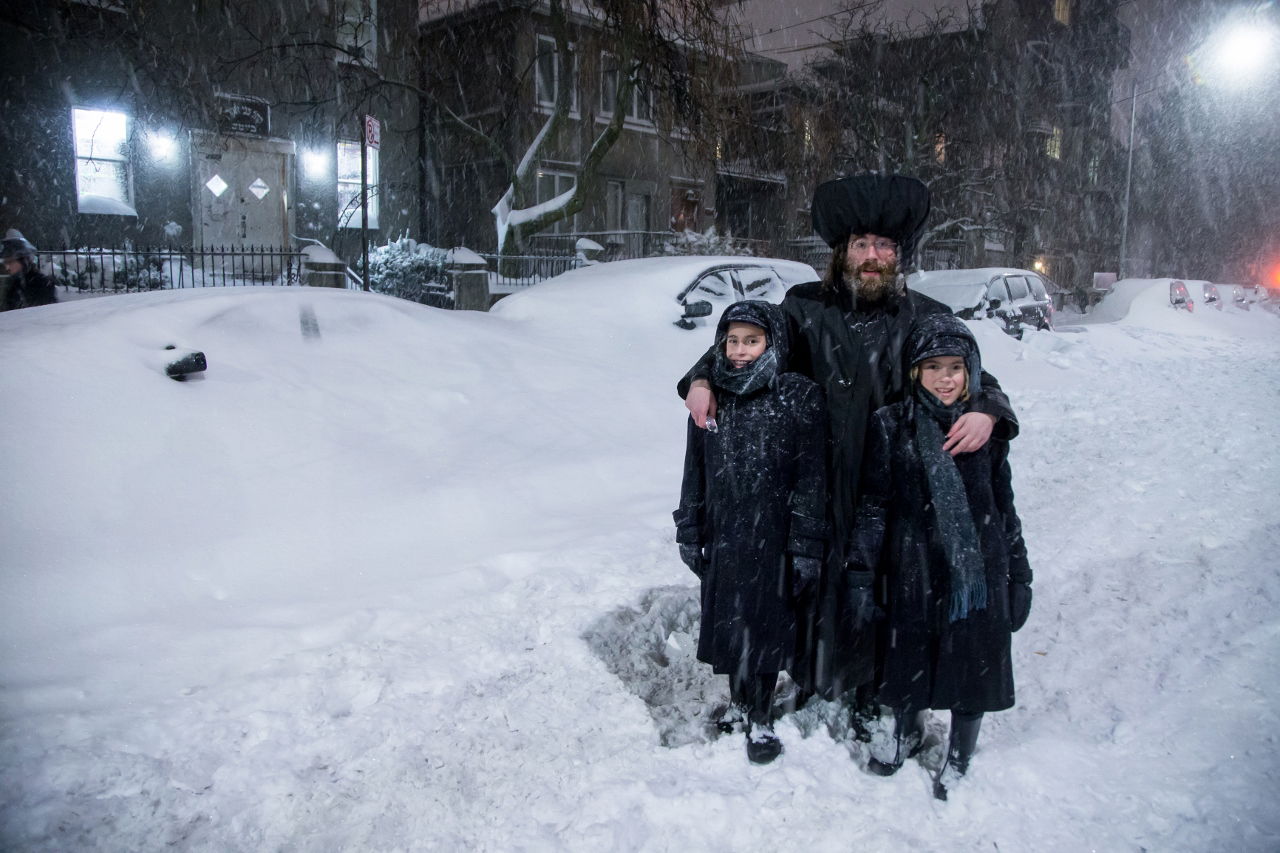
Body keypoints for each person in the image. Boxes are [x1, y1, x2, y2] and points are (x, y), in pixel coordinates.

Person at [678, 174, 1019, 731]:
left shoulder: (924, 316)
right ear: (841, 253)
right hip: (815, 476)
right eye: (860, 244)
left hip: (891, 481)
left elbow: (968, 372)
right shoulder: (803, 308)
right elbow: (747, 347)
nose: (872, 256)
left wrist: (987, 409)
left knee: (881, 587)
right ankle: (818, 680)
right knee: (818, 585)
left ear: (898, 256)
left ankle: (870, 694)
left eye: (884, 246)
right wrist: (701, 379)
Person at [848, 313, 1032, 799]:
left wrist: (1020, 576)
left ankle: (959, 754)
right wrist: (861, 575)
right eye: (933, 367)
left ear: (970, 370)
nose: (945, 378)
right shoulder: (891, 425)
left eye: (955, 367)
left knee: (972, 670)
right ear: (914, 372)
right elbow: (873, 505)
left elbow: (1004, 507)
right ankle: (908, 731)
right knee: (910, 663)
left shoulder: (984, 431)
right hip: (913, 569)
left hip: (977, 571)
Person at [673, 300, 827, 765]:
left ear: (772, 343)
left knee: (761, 633)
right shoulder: (711, 394)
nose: (740, 351)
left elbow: (812, 480)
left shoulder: (797, 396)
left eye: (752, 341)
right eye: (732, 340)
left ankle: (759, 716)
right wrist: (689, 527)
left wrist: (806, 544)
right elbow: (694, 468)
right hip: (725, 535)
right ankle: (742, 705)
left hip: (774, 540)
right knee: (732, 630)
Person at [0, 236, 57, 311]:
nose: (7, 267)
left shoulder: (41, 283)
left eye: (10, 262)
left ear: (23, 260)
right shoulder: (15, 283)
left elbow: (46, 314)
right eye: (5, 263)